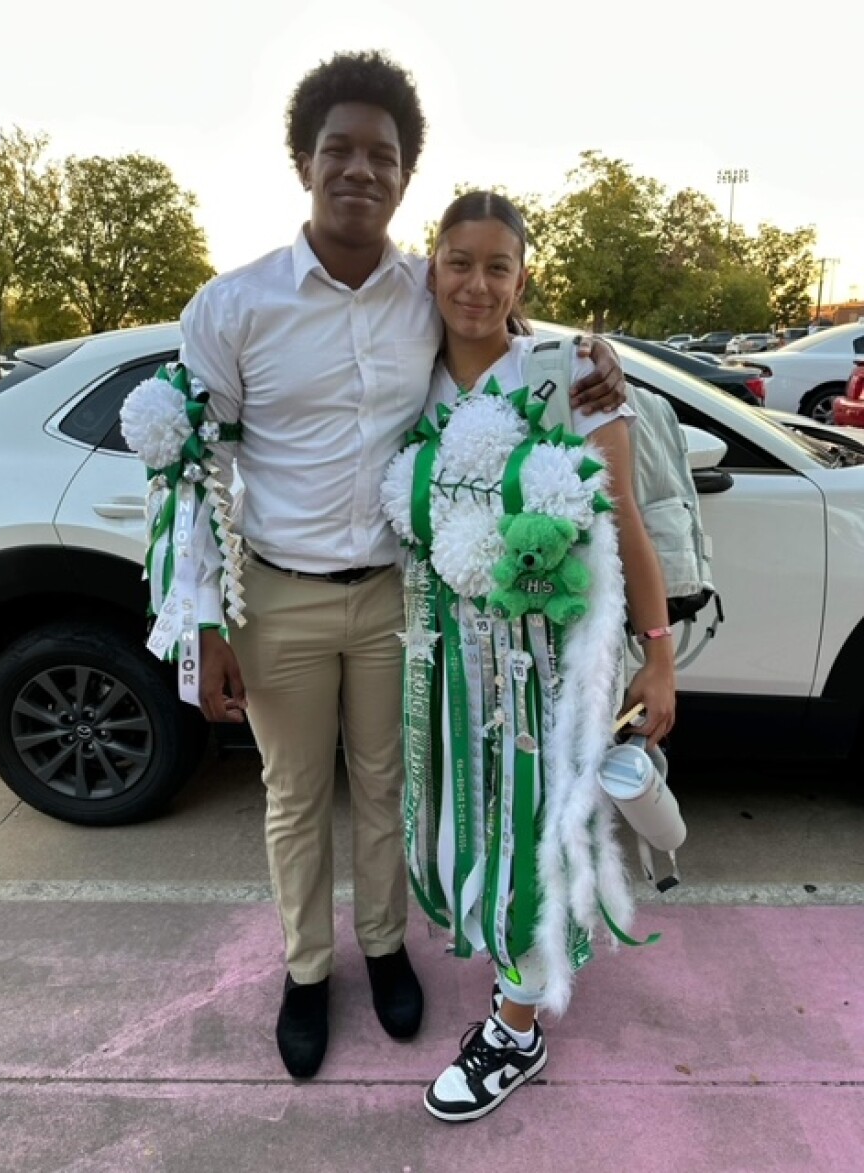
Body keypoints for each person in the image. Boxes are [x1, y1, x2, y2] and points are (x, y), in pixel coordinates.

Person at [175, 52, 627, 1081]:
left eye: (382, 155)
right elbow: (195, 468)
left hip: (395, 597)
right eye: (338, 148)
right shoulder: (234, 306)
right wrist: (202, 622)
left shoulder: (417, 296)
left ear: (402, 176)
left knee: (388, 786)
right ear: (303, 159)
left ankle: (383, 951)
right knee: (294, 797)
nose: (359, 169)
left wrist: (595, 355)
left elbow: (498, 332)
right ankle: (304, 970)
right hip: (277, 596)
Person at [381, 190, 675, 1121]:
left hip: (542, 670)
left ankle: (517, 1027)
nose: (475, 283)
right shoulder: (409, 380)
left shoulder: (568, 376)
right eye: (457, 261)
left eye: (496, 265)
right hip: (441, 663)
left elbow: (624, 521)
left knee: (533, 834)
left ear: (522, 278)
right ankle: (509, 979)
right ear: (430, 266)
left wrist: (658, 653)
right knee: (468, 828)